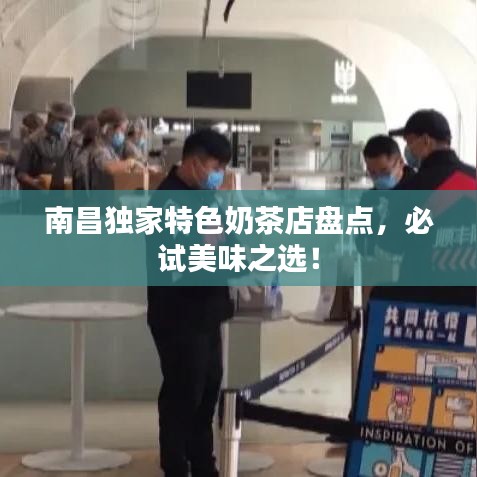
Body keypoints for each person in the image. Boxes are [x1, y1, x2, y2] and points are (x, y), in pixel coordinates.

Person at [147, 129, 234, 477]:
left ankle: (203, 463)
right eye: (215, 167)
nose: (219, 176)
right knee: (184, 394)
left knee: (208, 390)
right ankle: (175, 465)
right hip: (178, 314)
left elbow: (227, 243)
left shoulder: (205, 197)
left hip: (207, 312)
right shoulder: (167, 200)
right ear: (194, 163)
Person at [382, 109, 477, 284]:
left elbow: (392, 243)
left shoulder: (410, 189)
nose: (408, 150)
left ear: (426, 140)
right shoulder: (473, 178)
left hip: (423, 292)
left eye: (409, 142)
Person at [15, 101, 75, 190]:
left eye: (66, 122)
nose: (64, 125)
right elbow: (20, 173)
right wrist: (35, 183)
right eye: (61, 120)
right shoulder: (33, 142)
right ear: (50, 117)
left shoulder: (68, 141)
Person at [88, 107, 142, 189]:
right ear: (108, 128)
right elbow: (110, 168)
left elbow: (117, 165)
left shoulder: (108, 148)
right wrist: (131, 162)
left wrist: (133, 166)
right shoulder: (97, 147)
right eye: (121, 130)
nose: (122, 134)